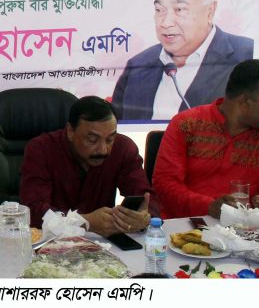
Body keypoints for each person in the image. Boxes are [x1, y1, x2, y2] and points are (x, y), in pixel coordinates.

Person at [154, 59, 259, 218]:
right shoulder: (187, 124)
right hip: (185, 223)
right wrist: (208, 207)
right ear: (244, 102)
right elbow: (165, 184)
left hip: (247, 227)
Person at [112, 0, 254, 120]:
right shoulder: (137, 66)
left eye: (179, 9)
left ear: (210, 11)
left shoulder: (246, 56)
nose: (166, 23)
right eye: (159, 10)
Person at [20, 96, 158, 236]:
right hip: (52, 241)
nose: (103, 150)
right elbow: (33, 211)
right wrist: (84, 222)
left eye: (110, 139)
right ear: (70, 131)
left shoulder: (123, 148)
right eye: (92, 140)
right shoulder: (41, 149)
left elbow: (147, 199)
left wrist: (144, 218)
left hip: (105, 243)